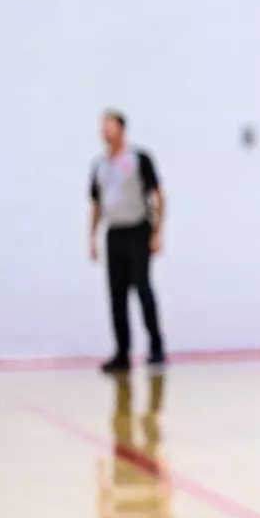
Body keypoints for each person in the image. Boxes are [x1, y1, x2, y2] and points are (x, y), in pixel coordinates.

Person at [89, 109, 167, 374]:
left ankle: (156, 347)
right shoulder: (99, 165)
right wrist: (92, 237)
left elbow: (159, 196)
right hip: (114, 233)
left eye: (109, 125)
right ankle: (122, 353)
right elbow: (96, 204)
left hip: (138, 230)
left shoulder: (139, 158)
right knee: (116, 295)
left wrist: (157, 233)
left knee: (143, 289)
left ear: (121, 128)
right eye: (102, 126)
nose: (104, 130)